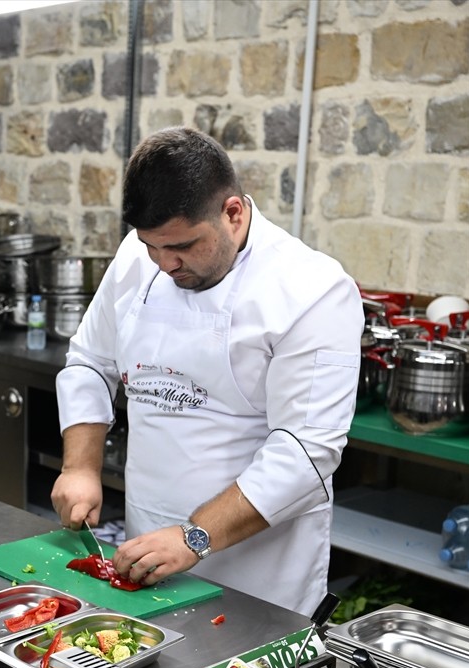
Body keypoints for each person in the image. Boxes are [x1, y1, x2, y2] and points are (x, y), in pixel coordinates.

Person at [51, 126, 362, 616]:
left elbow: (305, 454)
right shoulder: (141, 256)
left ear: (233, 213)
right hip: (147, 548)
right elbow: (91, 361)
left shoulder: (313, 290)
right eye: (152, 246)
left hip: (258, 576)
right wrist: (80, 465)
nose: (165, 263)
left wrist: (195, 536)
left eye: (182, 247)